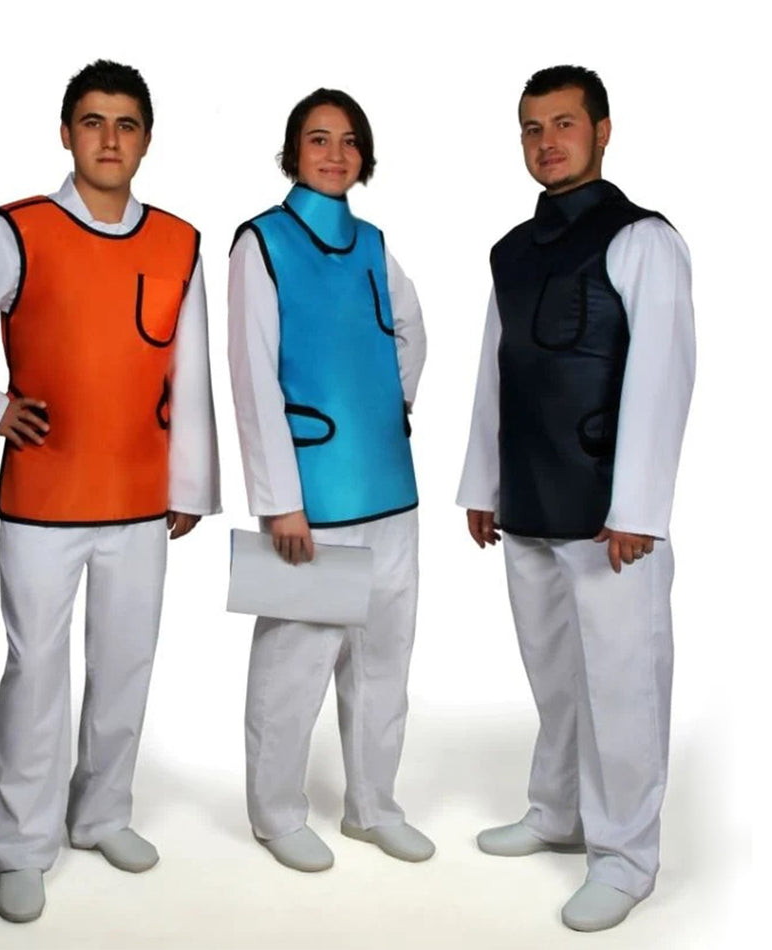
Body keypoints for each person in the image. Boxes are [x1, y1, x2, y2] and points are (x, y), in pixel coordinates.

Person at [0, 60, 220, 923]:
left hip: (141, 500)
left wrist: (190, 483)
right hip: (44, 500)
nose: (109, 139)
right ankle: (19, 846)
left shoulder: (179, 241)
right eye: (92, 122)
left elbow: (189, 369)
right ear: (66, 134)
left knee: (127, 663)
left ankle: (102, 813)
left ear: (146, 140)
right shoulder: (18, 230)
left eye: (126, 124)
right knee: (37, 670)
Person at [457, 65, 695, 932]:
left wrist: (637, 509)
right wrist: (483, 484)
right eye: (532, 128)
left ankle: (625, 858)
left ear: (602, 130)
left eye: (563, 123)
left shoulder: (643, 239)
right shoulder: (512, 253)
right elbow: (499, 370)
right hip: (527, 501)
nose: (547, 141)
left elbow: (664, 374)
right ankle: (557, 811)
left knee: (622, 686)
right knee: (556, 679)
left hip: (607, 519)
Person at [228, 88, 433, 873]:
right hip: (313, 501)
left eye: (349, 141)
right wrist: (280, 501)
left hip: (391, 491)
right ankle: (277, 814)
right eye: (318, 139)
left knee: (385, 660)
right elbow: (252, 377)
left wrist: (392, 403)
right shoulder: (263, 243)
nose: (335, 154)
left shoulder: (374, 244)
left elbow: (411, 330)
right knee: (294, 665)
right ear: (293, 152)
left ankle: (373, 806)